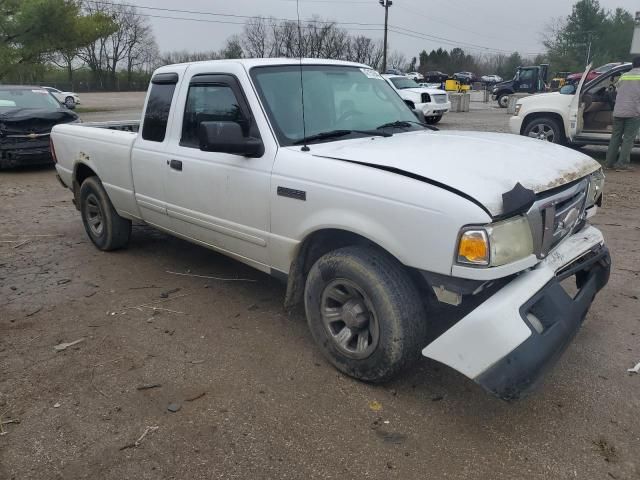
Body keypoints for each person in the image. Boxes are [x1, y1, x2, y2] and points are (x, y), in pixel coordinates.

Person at [605, 57, 640, 171]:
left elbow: (616, 90)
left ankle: (609, 163)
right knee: (628, 139)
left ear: (633, 65)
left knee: (615, 137)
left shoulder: (624, 76)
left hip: (618, 111)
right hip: (633, 112)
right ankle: (622, 164)